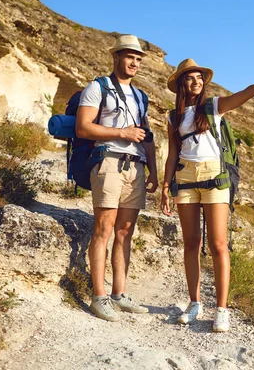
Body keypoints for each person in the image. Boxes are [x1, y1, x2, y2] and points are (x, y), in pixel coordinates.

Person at [161, 58, 254, 332]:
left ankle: (221, 309)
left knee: (219, 245)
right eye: (189, 78)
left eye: (199, 77)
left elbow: (246, 93)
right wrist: (165, 186)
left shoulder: (214, 107)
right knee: (191, 244)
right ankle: (195, 303)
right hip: (185, 178)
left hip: (215, 177)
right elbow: (173, 152)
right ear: (181, 84)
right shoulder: (173, 117)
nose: (195, 81)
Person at [76, 35, 158, 321]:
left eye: (138, 58)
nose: (134, 62)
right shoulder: (98, 87)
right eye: (129, 57)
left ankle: (119, 294)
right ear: (116, 58)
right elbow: (83, 128)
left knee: (125, 232)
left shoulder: (140, 96)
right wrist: (122, 133)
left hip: (135, 168)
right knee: (104, 230)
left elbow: (146, 136)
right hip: (108, 162)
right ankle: (98, 297)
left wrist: (154, 171)